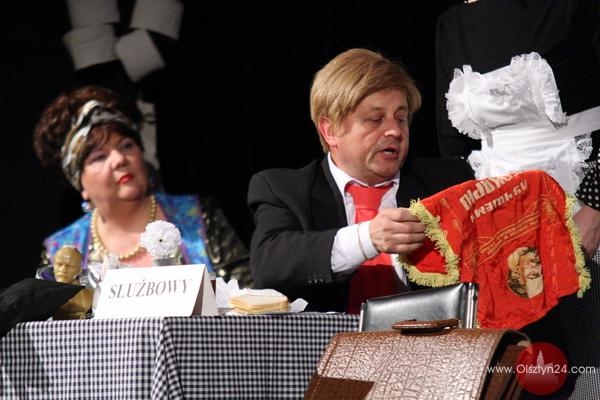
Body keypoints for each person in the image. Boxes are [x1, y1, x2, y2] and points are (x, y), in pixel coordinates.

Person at [435, 1, 600, 397]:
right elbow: (452, 144)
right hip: (496, 216)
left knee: (586, 358)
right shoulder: (454, 23)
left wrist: (596, 205)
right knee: (523, 368)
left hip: (580, 199)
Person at [247, 48, 474, 313]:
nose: (394, 131)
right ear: (330, 130)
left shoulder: (449, 183)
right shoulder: (283, 189)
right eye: (375, 119)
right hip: (328, 339)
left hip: (428, 336)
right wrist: (367, 238)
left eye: (401, 118)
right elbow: (269, 265)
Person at [33, 85, 252, 287]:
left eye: (126, 145)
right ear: (80, 183)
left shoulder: (200, 218)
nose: (120, 159)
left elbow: (248, 298)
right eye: (99, 157)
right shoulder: (60, 252)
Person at [52, 245, 93, 319]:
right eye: (59, 264)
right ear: (54, 267)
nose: (63, 269)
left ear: (79, 270)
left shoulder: (91, 296)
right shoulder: (43, 295)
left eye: (68, 266)